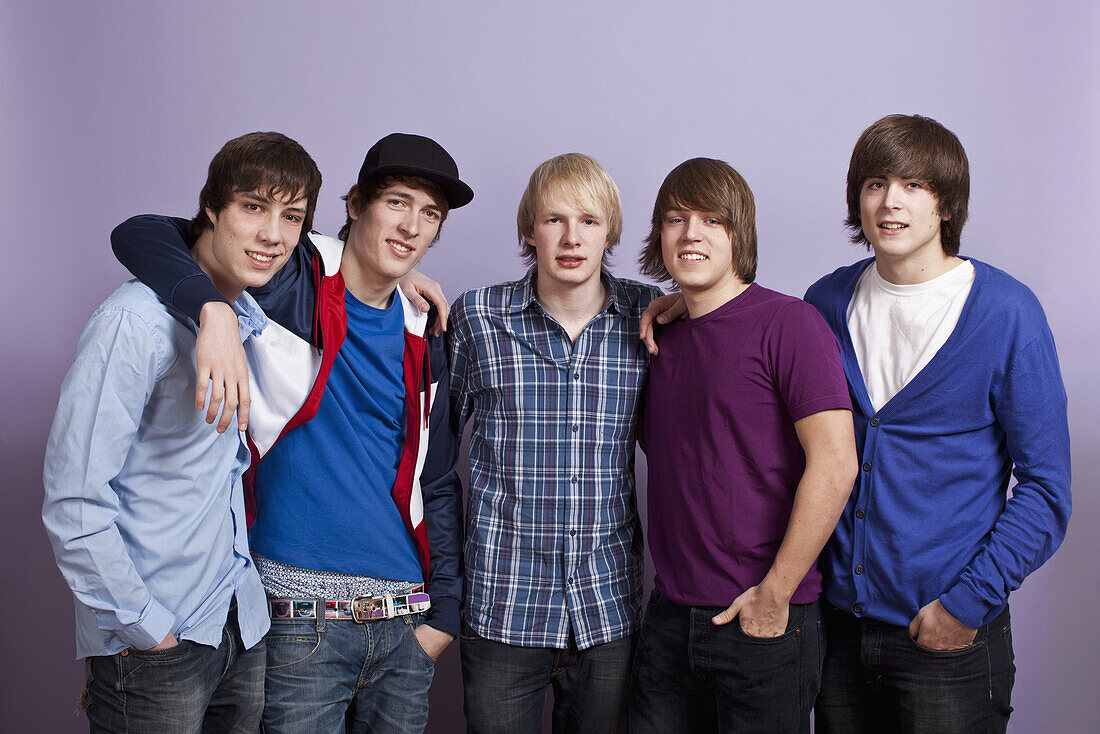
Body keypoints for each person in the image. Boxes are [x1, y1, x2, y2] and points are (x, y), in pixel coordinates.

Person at [110, 133, 472, 733]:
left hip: (405, 625)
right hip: (298, 621)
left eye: (430, 213)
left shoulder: (426, 331)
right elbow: (140, 233)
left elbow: (435, 480)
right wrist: (214, 310)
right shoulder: (287, 275)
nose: (411, 226)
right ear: (355, 203)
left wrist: (445, 617)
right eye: (398, 202)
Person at [43, 131, 322, 732]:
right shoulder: (133, 325)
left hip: (237, 627)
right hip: (155, 643)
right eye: (253, 207)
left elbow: (364, 257)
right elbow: (74, 501)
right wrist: (146, 627)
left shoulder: (249, 314)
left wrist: (405, 282)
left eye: (291, 216)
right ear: (212, 210)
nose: (273, 234)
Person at [803, 114, 1072, 733]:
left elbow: (1045, 489)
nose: (890, 201)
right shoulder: (826, 303)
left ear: (946, 204)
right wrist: (684, 301)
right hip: (839, 636)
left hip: (947, 637)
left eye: (913, 185)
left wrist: (967, 604)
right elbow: (758, 348)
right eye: (874, 184)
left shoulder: (1006, 313)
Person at [629, 158, 857, 733]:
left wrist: (774, 595)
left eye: (712, 220)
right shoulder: (660, 337)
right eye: (676, 219)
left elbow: (835, 464)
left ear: (740, 234)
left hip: (763, 622)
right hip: (669, 619)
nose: (691, 234)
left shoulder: (791, 324)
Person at [447, 153, 661, 733]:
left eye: (589, 221)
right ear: (528, 231)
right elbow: (430, 456)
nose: (572, 237)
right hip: (503, 607)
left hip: (607, 608)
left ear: (610, 232)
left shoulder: (649, 317)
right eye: (554, 220)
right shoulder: (478, 318)